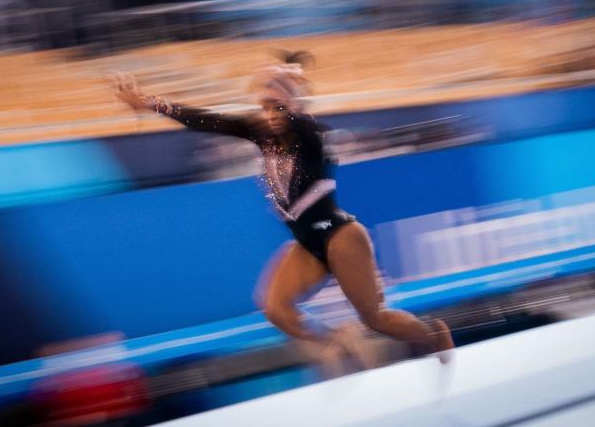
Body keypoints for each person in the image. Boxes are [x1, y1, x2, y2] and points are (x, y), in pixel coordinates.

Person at [112, 51, 454, 365]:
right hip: (308, 244)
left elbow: (299, 118)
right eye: (265, 106)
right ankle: (338, 341)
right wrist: (148, 103)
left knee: (375, 318)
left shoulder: (309, 136)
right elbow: (204, 120)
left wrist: (287, 79)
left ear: (292, 105)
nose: (271, 114)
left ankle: (432, 334)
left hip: (341, 237)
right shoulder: (261, 133)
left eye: (279, 107)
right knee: (275, 309)